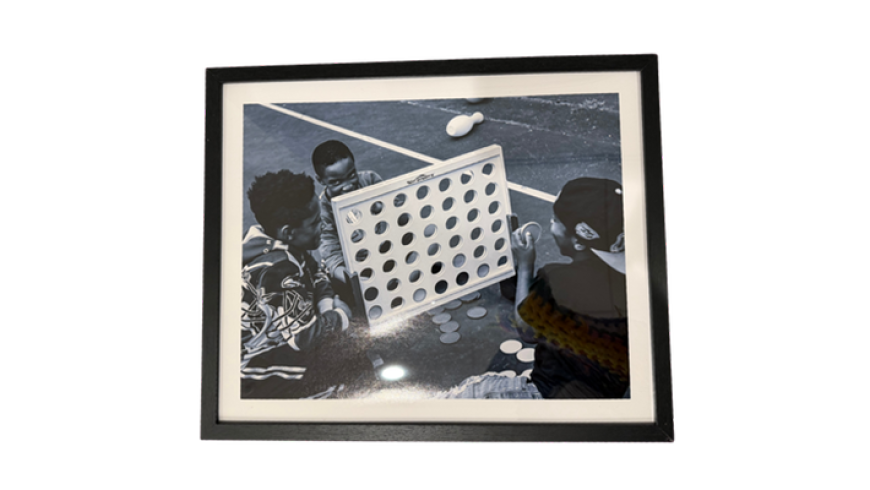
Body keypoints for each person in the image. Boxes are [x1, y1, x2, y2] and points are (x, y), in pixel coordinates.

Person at [240, 169, 354, 399]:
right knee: (342, 367)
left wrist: (325, 305)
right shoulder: (277, 268)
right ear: (288, 232)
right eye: (315, 222)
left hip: (279, 337)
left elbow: (316, 272)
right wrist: (340, 314)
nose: (323, 225)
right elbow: (305, 338)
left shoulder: (281, 242)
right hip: (253, 365)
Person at [512, 177, 629, 398]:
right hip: (607, 395)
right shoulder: (636, 278)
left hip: (553, 394)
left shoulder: (557, 280)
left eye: (555, 220)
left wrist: (525, 266)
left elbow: (526, 330)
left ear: (579, 241)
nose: (551, 225)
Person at [312, 140, 383, 301]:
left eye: (351, 175)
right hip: (354, 263)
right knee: (341, 288)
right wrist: (357, 281)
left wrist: (384, 207)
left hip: (382, 249)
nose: (348, 186)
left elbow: (400, 214)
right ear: (321, 180)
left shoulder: (370, 180)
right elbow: (332, 255)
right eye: (336, 182)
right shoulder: (323, 211)